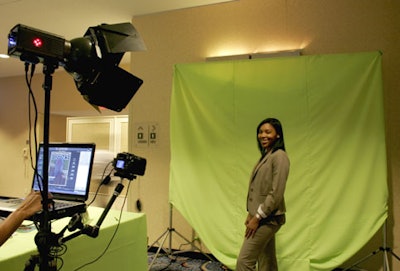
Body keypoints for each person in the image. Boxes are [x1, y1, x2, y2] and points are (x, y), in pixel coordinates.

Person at [236, 118, 290, 271]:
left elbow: (276, 193)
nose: (263, 135)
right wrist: (250, 213)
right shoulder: (268, 155)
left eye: (268, 132)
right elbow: (258, 189)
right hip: (262, 217)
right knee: (267, 261)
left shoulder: (279, 156)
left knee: (244, 262)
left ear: (278, 135)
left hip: (268, 218)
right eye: (260, 132)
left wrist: (257, 217)